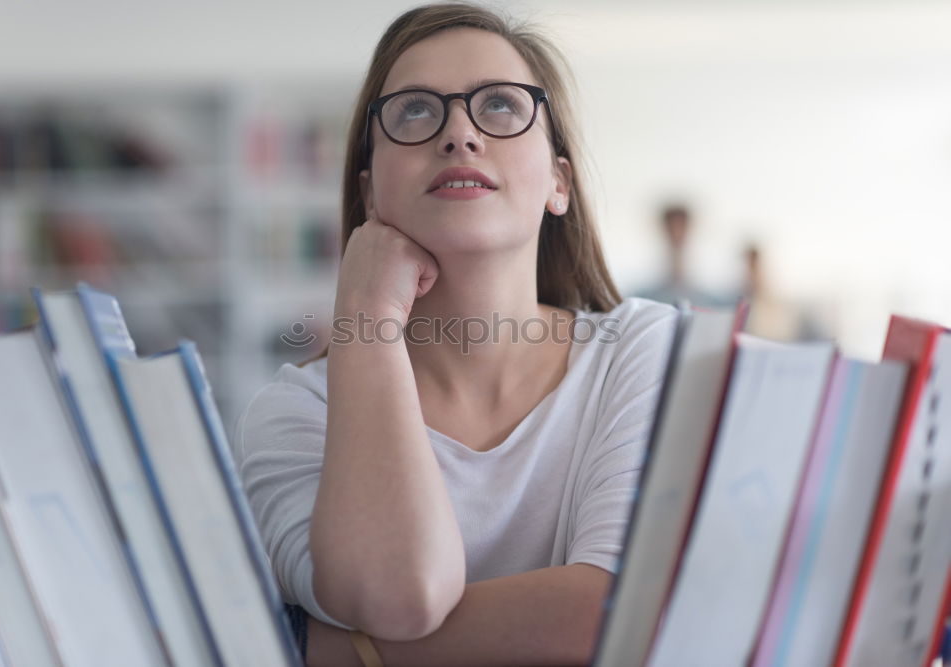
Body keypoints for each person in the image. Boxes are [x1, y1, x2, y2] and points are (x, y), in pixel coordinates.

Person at [232, 3, 677, 665]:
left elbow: (621, 616)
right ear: (370, 192)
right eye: (414, 110)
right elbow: (400, 595)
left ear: (559, 181)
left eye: (500, 105)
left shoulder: (645, 349)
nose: (459, 134)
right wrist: (369, 319)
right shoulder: (296, 413)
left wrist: (321, 646)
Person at [635, 203, 728, 308]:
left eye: (681, 226)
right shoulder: (642, 297)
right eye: (672, 227)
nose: (677, 233)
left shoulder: (712, 299)